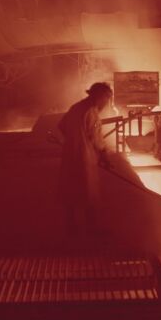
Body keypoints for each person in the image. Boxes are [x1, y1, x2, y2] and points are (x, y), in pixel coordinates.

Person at [56, 82, 114, 235]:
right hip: (84, 158)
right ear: (100, 97)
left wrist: (73, 140)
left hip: (69, 155)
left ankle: (71, 229)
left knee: (70, 190)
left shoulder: (76, 107)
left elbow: (61, 126)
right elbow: (96, 139)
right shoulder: (92, 112)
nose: (106, 102)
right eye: (106, 98)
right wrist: (104, 156)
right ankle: (92, 229)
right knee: (89, 192)